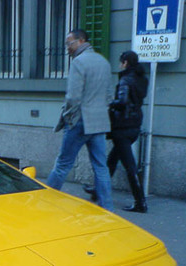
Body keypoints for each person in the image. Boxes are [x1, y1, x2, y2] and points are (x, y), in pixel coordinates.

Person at [46, 29, 114, 210]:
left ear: (81, 41)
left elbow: (73, 97)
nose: (68, 47)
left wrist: (68, 117)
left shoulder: (79, 62)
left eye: (70, 43)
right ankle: (107, 208)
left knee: (62, 164)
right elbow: (109, 96)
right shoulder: (103, 62)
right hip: (99, 120)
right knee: (101, 166)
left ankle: (44, 203)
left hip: (79, 120)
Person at [85, 50, 148, 212]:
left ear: (125, 63)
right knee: (112, 160)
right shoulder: (142, 79)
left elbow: (122, 102)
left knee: (129, 166)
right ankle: (98, 190)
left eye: (121, 62)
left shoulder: (126, 80)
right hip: (134, 125)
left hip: (123, 127)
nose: (120, 65)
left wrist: (108, 103)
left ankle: (140, 202)